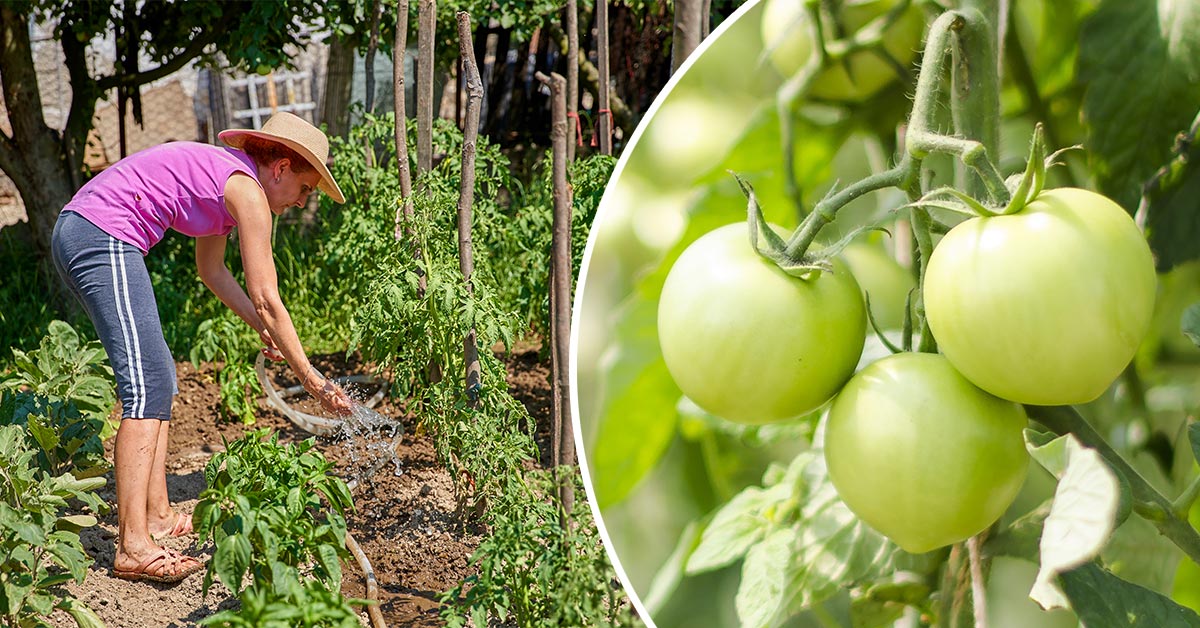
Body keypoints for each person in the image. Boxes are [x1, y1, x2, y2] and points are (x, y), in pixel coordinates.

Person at [51, 112, 354, 584]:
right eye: (306, 187)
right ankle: (132, 545)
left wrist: (263, 328)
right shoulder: (247, 191)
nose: (301, 200)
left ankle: (158, 516)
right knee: (146, 385)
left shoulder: (229, 181)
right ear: (280, 168)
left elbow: (212, 272)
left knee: (161, 377)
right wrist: (311, 380)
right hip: (99, 233)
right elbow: (268, 296)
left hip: (94, 231)